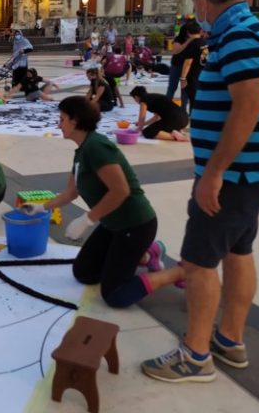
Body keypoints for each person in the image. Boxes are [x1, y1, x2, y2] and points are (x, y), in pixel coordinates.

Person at [142, 0, 259, 383]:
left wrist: (214, 173)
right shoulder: (247, 29)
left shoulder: (239, 36)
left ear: (203, 1)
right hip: (253, 172)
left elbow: (247, 107)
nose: (195, 10)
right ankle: (229, 339)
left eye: (194, 4)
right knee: (239, 252)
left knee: (199, 262)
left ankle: (196, 355)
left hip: (236, 176)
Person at [22, 96, 184, 307]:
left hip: (135, 225)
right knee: (84, 273)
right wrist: (41, 207)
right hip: (113, 225)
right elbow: (71, 193)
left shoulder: (96, 147)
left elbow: (121, 191)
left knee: (115, 295)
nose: (58, 124)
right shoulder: (82, 151)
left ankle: (179, 272)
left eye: (62, 119)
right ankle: (146, 255)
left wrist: (87, 220)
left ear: (75, 120)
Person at [178, 21, 205, 113]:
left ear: (188, 33)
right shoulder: (205, 42)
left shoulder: (192, 44)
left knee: (193, 98)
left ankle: (193, 118)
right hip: (203, 73)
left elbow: (188, 62)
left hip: (193, 75)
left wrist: (182, 78)